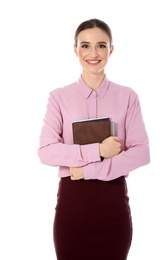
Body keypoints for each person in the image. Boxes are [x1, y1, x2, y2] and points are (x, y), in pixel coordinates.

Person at [38, 18, 150, 260]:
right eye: (85, 45)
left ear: (111, 49)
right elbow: (46, 151)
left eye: (101, 45)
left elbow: (142, 152)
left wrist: (87, 171)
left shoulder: (127, 96)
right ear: (75, 49)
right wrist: (98, 149)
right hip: (72, 206)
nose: (93, 53)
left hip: (113, 205)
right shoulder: (59, 98)